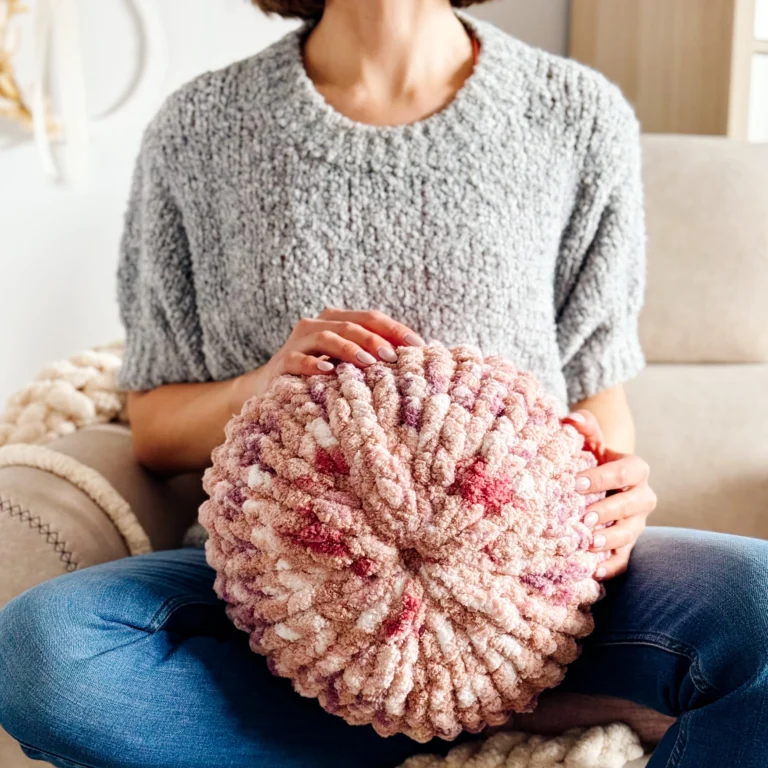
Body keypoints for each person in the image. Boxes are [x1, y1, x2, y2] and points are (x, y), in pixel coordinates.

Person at [1, 1, 767, 766]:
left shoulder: (577, 112)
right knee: (41, 656)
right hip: (277, 590)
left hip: (538, 584)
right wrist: (258, 385)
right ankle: (453, 716)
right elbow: (155, 427)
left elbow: (598, 388)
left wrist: (614, 485)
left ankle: (442, 707)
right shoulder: (199, 127)